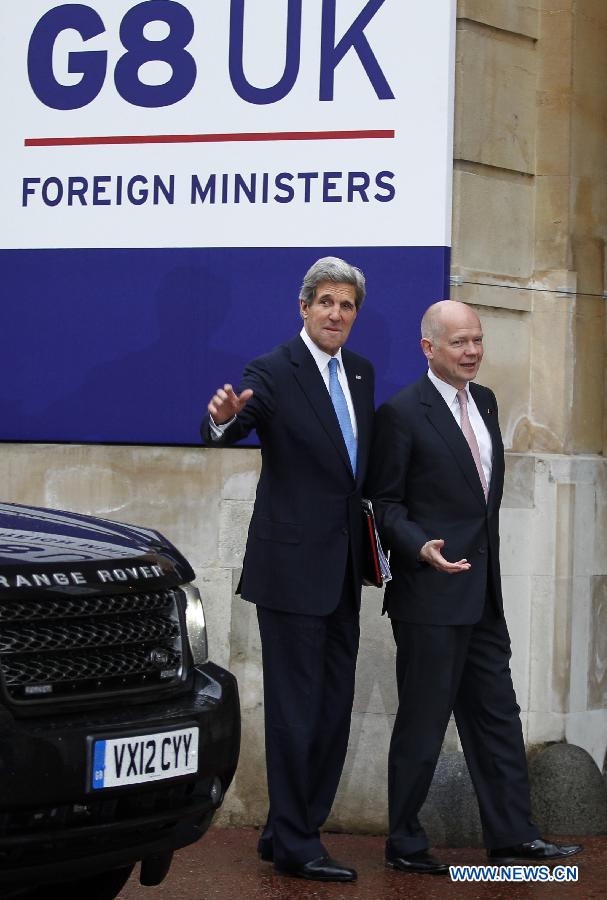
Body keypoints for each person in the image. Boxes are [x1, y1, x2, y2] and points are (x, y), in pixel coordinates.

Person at [365, 300, 582, 874]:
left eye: (477, 341)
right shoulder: (401, 413)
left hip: (483, 595)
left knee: (497, 718)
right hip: (429, 598)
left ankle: (514, 838)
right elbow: (383, 503)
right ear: (428, 348)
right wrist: (418, 545)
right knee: (423, 723)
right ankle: (404, 843)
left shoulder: (483, 401)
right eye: (459, 342)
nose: (472, 352)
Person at [201, 257, 375, 882]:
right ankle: (301, 843)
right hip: (291, 573)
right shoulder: (273, 370)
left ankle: (285, 828)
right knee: (297, 710)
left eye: (347, 304)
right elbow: (227, 427)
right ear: (304, 308)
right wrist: (222, 416)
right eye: (325, 301)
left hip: (345, 571)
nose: (336, 313)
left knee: (332, 707)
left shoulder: (360, 373)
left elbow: (358, 473)